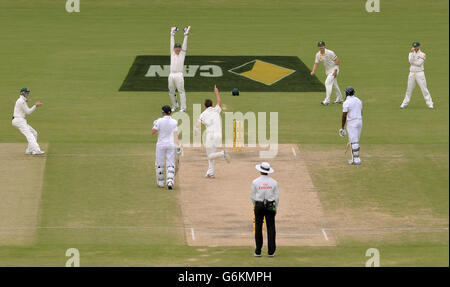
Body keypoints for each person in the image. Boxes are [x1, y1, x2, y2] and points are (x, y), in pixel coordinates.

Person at [194, 85, 230, 178]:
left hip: (210, 136)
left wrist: (196, 131)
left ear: (204, 106)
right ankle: (211, 173)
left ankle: (223, 153)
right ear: (211, 104)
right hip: (219, 136)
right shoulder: (216, 110)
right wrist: (216, 92)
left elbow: (197, 124)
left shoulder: (203, 114)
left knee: (210, 155)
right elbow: (219, 102)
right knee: (212, 155)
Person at [251, 162, 279, 257]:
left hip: (259, 205)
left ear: (260, 170)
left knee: (258, 228)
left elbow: (252, 196)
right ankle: (271, 252)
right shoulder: (274, 182)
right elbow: (277, 197)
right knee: (271, 228)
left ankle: (258, 251)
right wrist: (275, 208)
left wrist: (256, 205)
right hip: (271, 205)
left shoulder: (255, 182)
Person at [152, 105, 181, 190]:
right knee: (170, 163)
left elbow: (153, 132)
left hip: (161, 145)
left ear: (163, 112)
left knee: (159, 163)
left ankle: (161, 182)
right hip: (171, 144)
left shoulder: (159, 121)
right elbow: (176, 135)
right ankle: (170, 182)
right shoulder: (174, 122)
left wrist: (154, 124)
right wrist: (178, 146)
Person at [400, 42, 434, 109]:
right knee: (409, 89)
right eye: (414, 47)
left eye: (416, 47)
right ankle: (404, 103)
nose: (415, 48)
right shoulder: (410, 54)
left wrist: (413, 61)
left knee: (424, 88)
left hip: (420, 73)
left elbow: (419, 63)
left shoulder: (423, 54)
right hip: (412, 73)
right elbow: (410, 61)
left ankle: (430, 103)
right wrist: (413, 55)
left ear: (419, 46)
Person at [12, 88, 45, 155]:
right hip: (19, 120)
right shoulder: (21, 101)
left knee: (34, 133)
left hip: (20, 120)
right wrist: (35, 105)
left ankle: (29, 150)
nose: (28, 94)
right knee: (29, 135)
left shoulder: (22, 100)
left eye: (28, 93)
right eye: (27, 93)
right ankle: (37, 150)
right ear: (23, 93)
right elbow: (28, 112)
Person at [310, 41, 343, 106]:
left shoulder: (330, 52)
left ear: (324, 46)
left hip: (334, 70)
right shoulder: (318, 54)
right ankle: (340, 99)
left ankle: (327, 101)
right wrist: (313, 71)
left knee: (327, 83)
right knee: (334, 85)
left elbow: (337, 60)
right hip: (328, 71)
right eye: (320, 47)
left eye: (322, 46)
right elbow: (316, 63)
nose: (321, 48)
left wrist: (335, 71)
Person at [168, 26, 191, 112]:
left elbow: (185, 45)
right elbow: (171, 43)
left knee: (181, 91)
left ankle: (183, 108)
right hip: (171, 74)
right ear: (174, 48)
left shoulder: (182, 53)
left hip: (179, 74)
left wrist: (186, 35)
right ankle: (175, 105)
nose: (177, 49)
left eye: (179, 48)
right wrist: (172, 35)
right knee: (171, 91)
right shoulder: (172, 52)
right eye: (176, 47)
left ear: (180, 49)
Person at [339, 86, 363, 165]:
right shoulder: (359, 100)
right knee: (355, 141)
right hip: (359, 121)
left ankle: (356, 160)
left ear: (346, 93)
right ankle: (354, 159)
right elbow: (360, 111)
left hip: (352, 122)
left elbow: (344, 115)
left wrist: (342, 127)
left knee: (354, 141)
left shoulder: (346, 102)